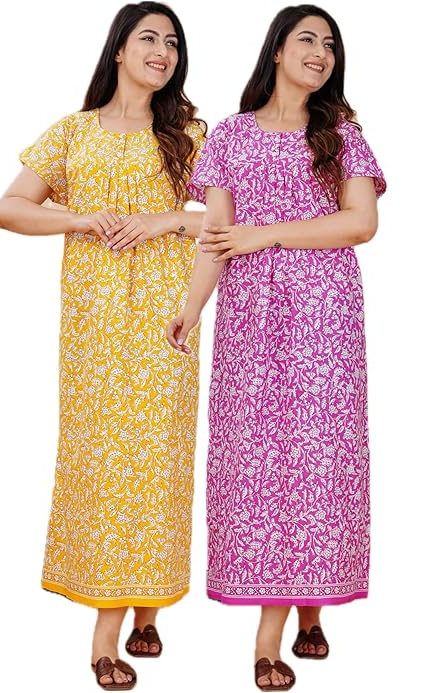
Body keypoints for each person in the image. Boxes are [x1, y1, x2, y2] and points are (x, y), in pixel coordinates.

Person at [166, 4, 385, 690]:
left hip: (324, 320)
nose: (321, 52)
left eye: (331, 45)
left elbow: (360, 223)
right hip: (251, 323)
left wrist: (268, 233)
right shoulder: (230, 135)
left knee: (319, 460)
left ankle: (282, 629)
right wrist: (191, 307)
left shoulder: (342, 134)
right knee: (257, 464)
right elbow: (216, 236)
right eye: (307, 40)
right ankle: (301, 610)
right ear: (278, 51)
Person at [0, 2, 206, 689]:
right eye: (149, 38)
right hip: (93, 330)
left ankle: (142, 611)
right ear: (119, 49)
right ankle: (118, 623)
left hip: (166, 323)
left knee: (159, 462)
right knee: (104, 466)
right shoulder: (73, 132)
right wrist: (82, 217)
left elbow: (225, 221)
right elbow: (9, 208)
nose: (162, 51)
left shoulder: (190, 135)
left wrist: (164, 220)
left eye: (172, 43)